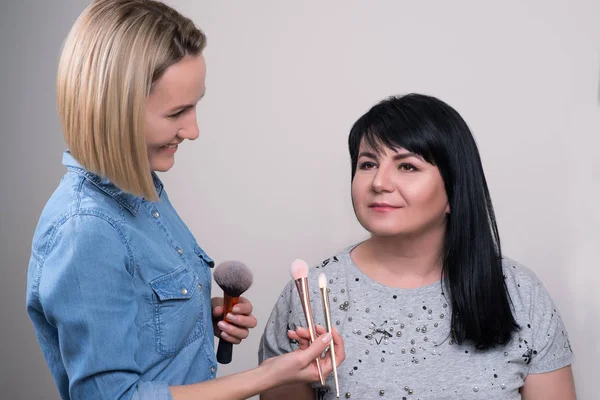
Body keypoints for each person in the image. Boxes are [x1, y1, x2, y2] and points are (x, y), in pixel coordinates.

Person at [25, 1, 344, 399]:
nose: (192, 130)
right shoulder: (86, 229)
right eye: (177, 112)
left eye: (196, 105)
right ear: (114, 110)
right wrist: (270, 375)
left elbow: (137, 317)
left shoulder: (143, 189)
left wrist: (191, 316)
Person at [259, 93, 576, 399]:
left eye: (407, 166)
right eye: (367, 164)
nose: (379, 183)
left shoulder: (519, 293)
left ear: (454, 189)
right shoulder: (310, 293)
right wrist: (297, 372)